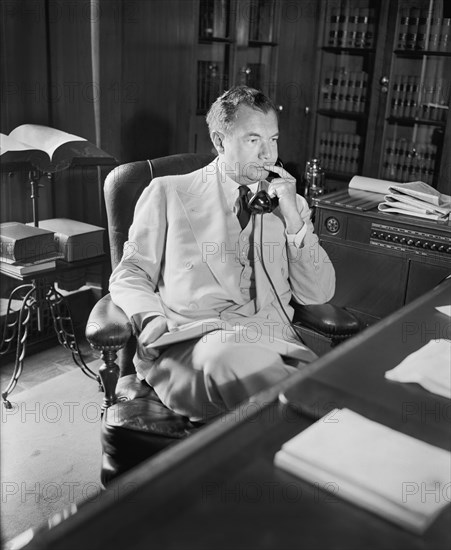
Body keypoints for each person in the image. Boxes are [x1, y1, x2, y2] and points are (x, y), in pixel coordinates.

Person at [109, 86, 335, 422]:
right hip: (194, 348)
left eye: (273, 140)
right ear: (219, 141)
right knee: (239, 364)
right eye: (253, 139)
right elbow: (130, 274)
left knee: (297, 398)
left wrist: (292, 219)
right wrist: (152, 320)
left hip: (273, 345)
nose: (268, 155)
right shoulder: (168, 192)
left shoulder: (290, 204)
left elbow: (318, 292)